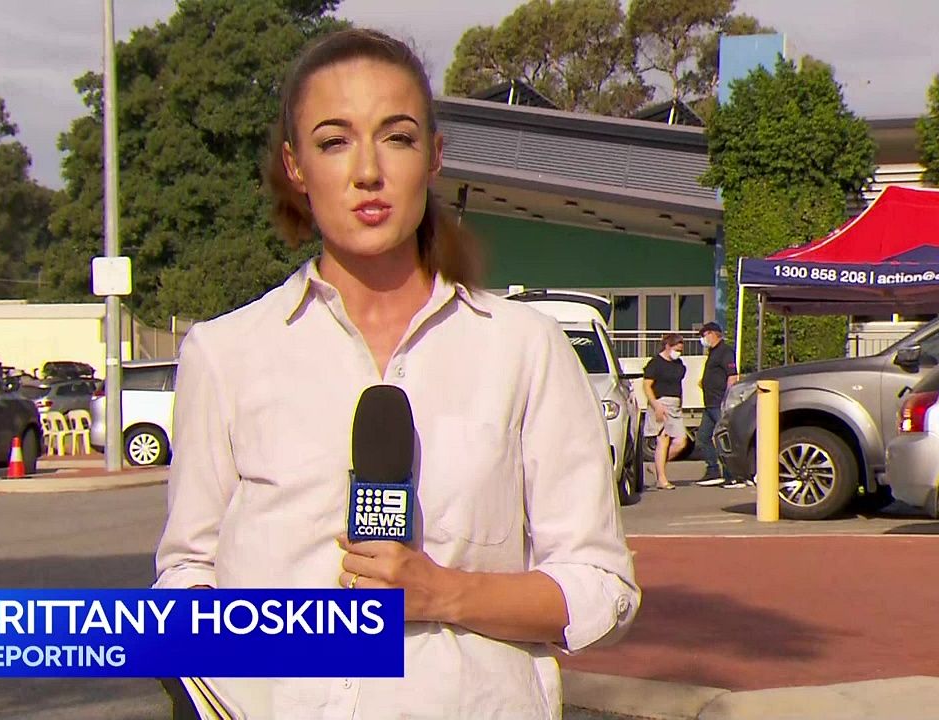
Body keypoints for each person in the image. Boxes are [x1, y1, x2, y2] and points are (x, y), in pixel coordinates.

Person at [153, 28, 638, 719]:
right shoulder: (224, 353)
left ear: (434, 156)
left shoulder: (524, 349)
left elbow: (601, 587)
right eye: (334, 141)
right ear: (296, 166)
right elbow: (186, 571)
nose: (367, 172)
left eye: (397, 137)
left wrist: (443, 593)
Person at [694, 322, 741, 488]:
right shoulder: (712, 352)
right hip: (709, 403)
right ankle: (713, 470)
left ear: (713, 334)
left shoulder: (725, 351)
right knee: (703, 437)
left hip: (719, 402)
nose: (703, 339)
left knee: (724, 438)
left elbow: (732, 376)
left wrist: (727, 399)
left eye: (704, 335)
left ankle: (732, 475)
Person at [642, 333, 689, 489]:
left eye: (680, 350)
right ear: (668, 346)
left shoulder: (679, 364)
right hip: (660, 403)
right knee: (663, 440)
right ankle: (662, 479)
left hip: (675, 404)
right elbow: (647, 386)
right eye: (676, 349)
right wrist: (656, 405)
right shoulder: (655, 363)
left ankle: (656, 466)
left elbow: (678, 386)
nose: (678, 353)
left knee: (681, 442)